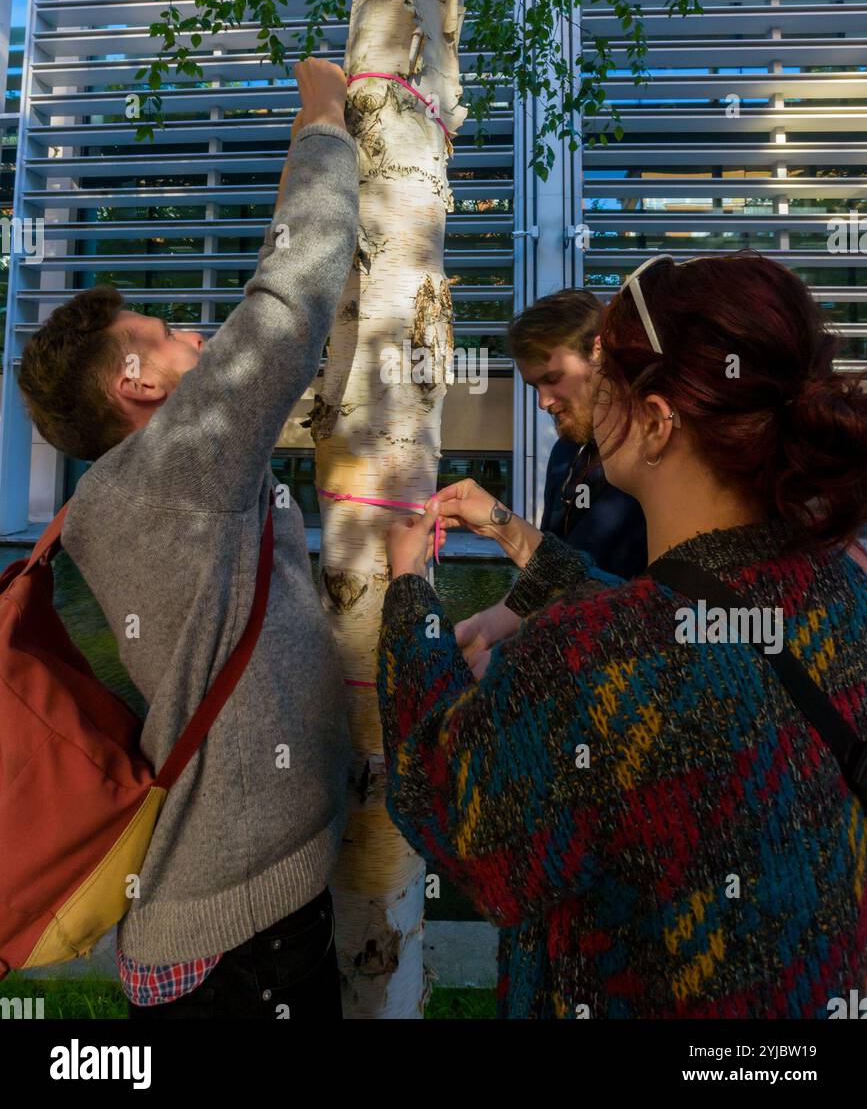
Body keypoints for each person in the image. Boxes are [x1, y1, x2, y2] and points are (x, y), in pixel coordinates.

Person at [379, 251, 867, 1019]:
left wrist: (410, 602)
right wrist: (508, 530)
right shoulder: (839, 588)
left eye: (603, 374)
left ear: (655, 420)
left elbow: (452, 810)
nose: (562, 400)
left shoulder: (587, 658)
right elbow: (684, 630)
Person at [16, 58, 359, 1018]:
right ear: (137, 385)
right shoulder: (173, 466)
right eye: (169, 334)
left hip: (227, 922)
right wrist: (324, 113)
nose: (199, 342)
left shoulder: (139, 488)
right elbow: (288, 301)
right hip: (239, 945)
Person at [456, 290, 646, 679]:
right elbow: (554, 573)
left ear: (599, 351)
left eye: (553, 379)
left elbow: (611, 597)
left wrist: (513, 655)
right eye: (533, 387)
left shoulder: (647, 461)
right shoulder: (567, 452)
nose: (543, 402)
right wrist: (485, 627)